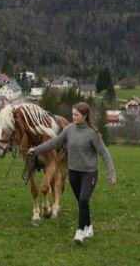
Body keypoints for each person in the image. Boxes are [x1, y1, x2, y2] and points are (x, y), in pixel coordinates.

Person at [29, 101, 117, 244]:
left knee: (83, 200)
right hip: (74, 173)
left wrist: (111, 174)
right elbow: (54, 142)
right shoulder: (69, 130)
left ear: (85, 116)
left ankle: (80, 232)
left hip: (89, 174)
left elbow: (105, 154)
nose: (73, 117)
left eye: (76, 115)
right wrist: (35, 150)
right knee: (82, 203)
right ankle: (89, 227)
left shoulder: (92, 133)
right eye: (73, 114)